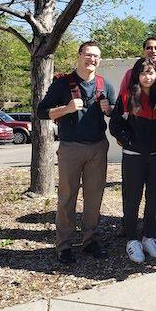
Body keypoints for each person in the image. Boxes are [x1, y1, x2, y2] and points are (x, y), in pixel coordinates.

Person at [37, 41, 116, 264]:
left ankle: (90, 240)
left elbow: (115, 111)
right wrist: (67, 109)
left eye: (96, 57)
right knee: (67, 197)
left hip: (98, 147)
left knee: (94, 197)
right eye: (89, 55)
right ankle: (64, 244)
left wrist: (110, 110)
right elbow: (42, 112)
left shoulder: (104, 84)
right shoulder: (63, 83)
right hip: (71, 147)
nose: (92, 60)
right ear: (80, 56)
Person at [109, 58, 156, 263]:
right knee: (132, 199)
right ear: (136, 75)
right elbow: (115, 125)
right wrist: (129, 141)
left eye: (151, 73)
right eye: (143, 73)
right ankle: (132, 240)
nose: (147, 77)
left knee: (153, 197)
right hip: (133, 157)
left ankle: (150, 236)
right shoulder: (126, 97)